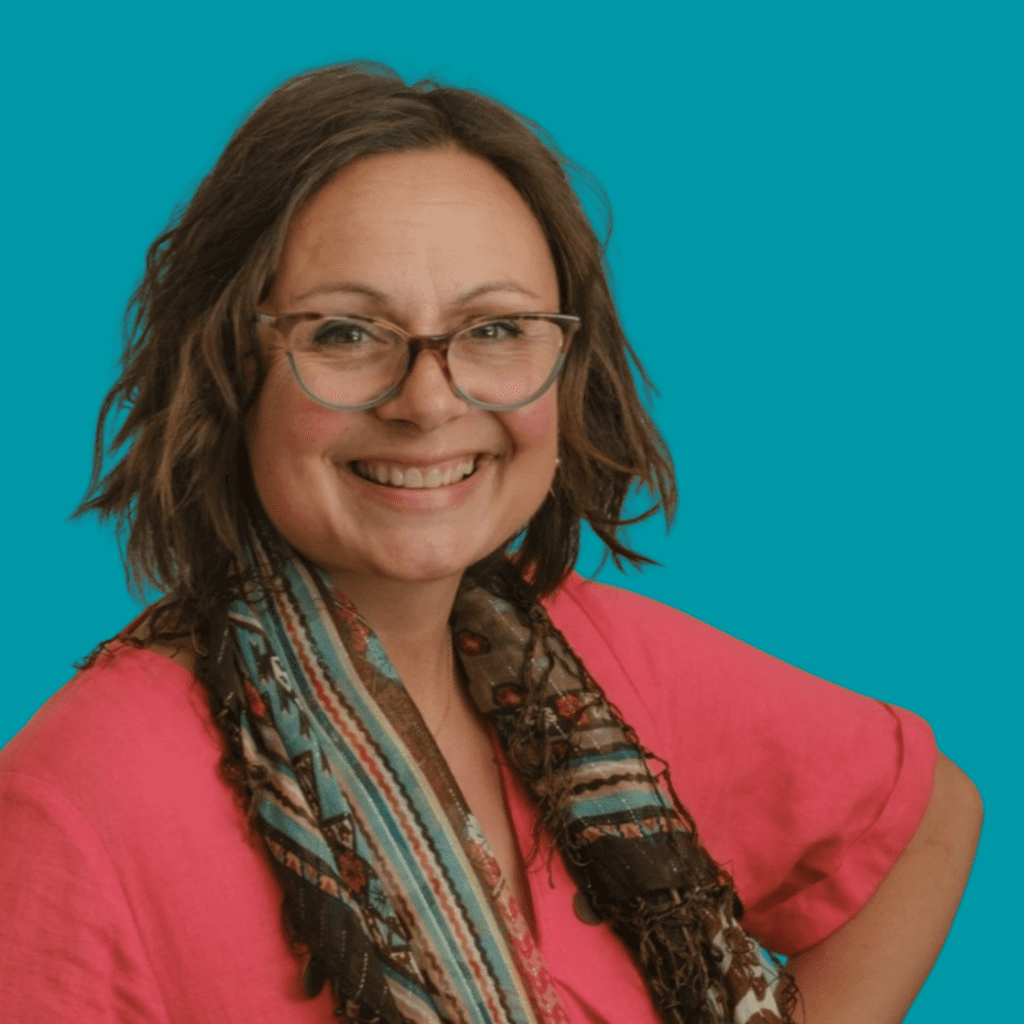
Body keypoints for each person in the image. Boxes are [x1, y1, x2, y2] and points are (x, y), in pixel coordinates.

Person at [0, 62, 981, 1024]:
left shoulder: (600, 659)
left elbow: (924, 817)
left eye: (495, 328)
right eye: (345, 332)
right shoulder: (74, 812)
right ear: (229, 369)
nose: (429, 401)